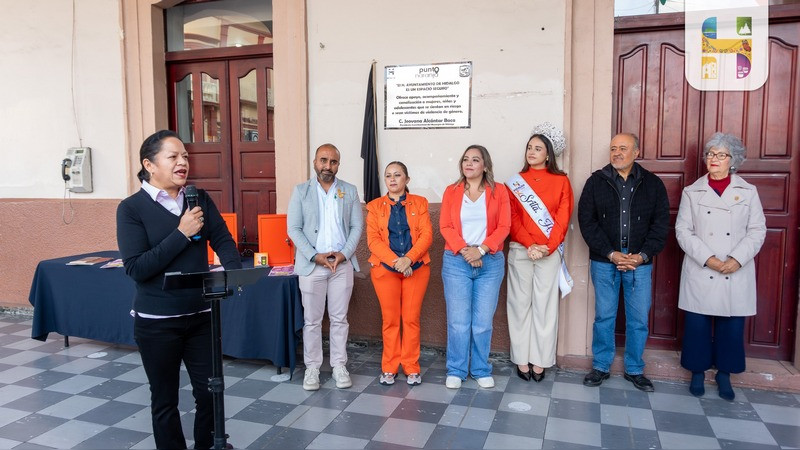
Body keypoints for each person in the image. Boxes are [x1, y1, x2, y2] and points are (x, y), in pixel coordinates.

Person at [116, 130, 242, 449]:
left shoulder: (196, 197)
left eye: (185, 156)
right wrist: (182, 233)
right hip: (157, 322)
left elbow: (223, 239)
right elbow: (137, 268)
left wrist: (235, 272)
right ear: (150, 164)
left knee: (209, 392)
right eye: (173, 156)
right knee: (165, 400)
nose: (183, 162)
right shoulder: (131, 209)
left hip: (200, 316)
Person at [675, 133, 766, 401]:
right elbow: (683, 231)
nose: (713, 159)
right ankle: (697, 372)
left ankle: (725, 374)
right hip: (702, 267)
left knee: (731, 326)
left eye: (721, 155)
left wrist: (736, 259)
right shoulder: (692, 191)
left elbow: (757, 230)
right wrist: (709, 259)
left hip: (735, 270)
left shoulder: (748, 192)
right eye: (710, 154)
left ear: (733, 160)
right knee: (697, 325)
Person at [577, 133, 669, 392]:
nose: (617, 152)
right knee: (604, 316)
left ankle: (635, 369)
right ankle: (601, 366)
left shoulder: (652, 184)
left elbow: (660, 225)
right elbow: (587, 222)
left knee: (638, 319)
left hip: (640, 263)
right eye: (613, 148)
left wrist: (641, 256)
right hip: (605, 262)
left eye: (623, 148)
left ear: (636, 152)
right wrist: (610, 253)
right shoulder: (596, 182)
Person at [287, 143, 364, 391]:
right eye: (323, 160)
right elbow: (294, 229)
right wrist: (314, 256)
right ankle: (312, 369)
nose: (327, 166)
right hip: (312, 266)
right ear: (314, 162)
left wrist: (343, 254)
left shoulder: (349, 191)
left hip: (341, 265)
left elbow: (356, 228)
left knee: (340, 319)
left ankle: (339, 365)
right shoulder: (301, 191)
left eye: (332, 162)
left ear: (338, 165)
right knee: (312, 320)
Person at [505, 123, 574, 382]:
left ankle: (541, 360)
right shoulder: (515, 182)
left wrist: (547, 246)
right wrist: (530, 244)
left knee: (545, 306)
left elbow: (562, 218)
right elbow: (512, 218)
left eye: (538, 148)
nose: (532, 152)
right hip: (522, 249)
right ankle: (521, 359)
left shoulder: (561, 181)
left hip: (548, 251)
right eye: (529, 147)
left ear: (548, 154)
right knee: (519, 305)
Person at [440, 145, 511, 389]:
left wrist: (480, 250)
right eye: (465, 160)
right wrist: (465, 251)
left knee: (482, 322)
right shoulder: (452, 191)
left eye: (475, 160)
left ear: (485, 165)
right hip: (456, 261)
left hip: (489, 261)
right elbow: (445, 226)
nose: (469, 164)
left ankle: (480, 368)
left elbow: (504, 227)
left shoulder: (499, 191)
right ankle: (457, 369)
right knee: (458, 321)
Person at [366, 161, 433, 386]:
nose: (392, 179)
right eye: (388, 176)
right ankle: (390, 367)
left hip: (417, 268)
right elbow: (373, 241)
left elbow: (426, 235)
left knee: (411, 319)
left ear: (407, 179)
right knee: (390, 320)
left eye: (397, 175)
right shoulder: (374, 207)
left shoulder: (421, 203)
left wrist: (409, 260)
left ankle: (412, 367)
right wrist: (397, 262)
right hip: (386, 270)